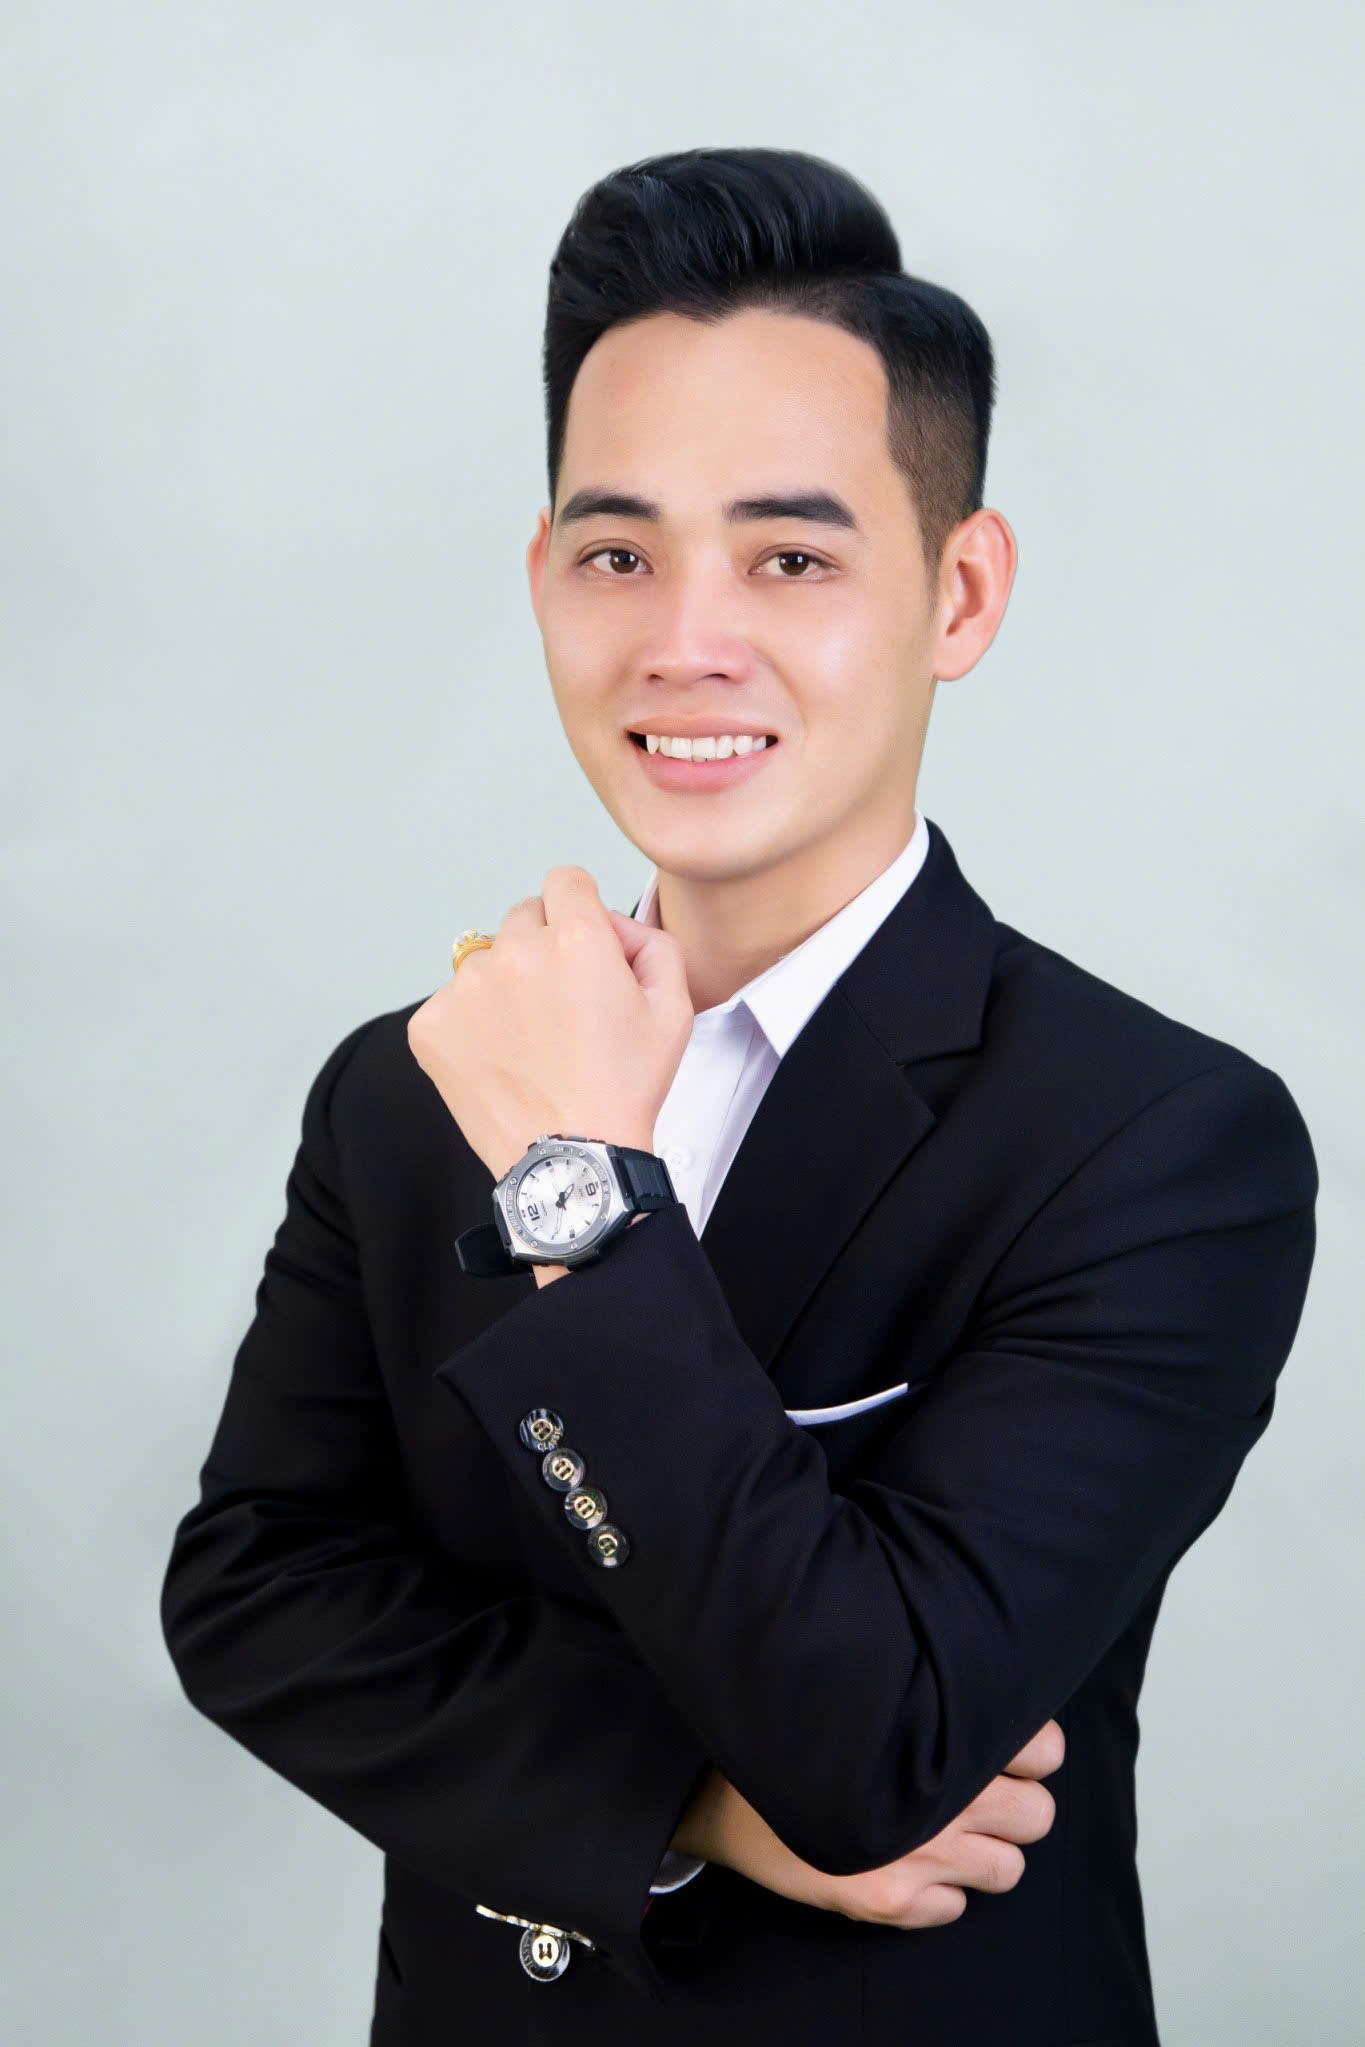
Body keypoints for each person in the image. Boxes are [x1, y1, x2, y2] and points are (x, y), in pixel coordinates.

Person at [160, 146, 1318, 2046]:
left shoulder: (1160, 1141)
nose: (683, 640)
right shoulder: (406, 1080)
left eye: (790, 557)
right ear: (543, 581)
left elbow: (874, 1737)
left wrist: (578, 1181)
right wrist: (686, 1802)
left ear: (959, 592)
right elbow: (257, 1592)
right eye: (616, 554)